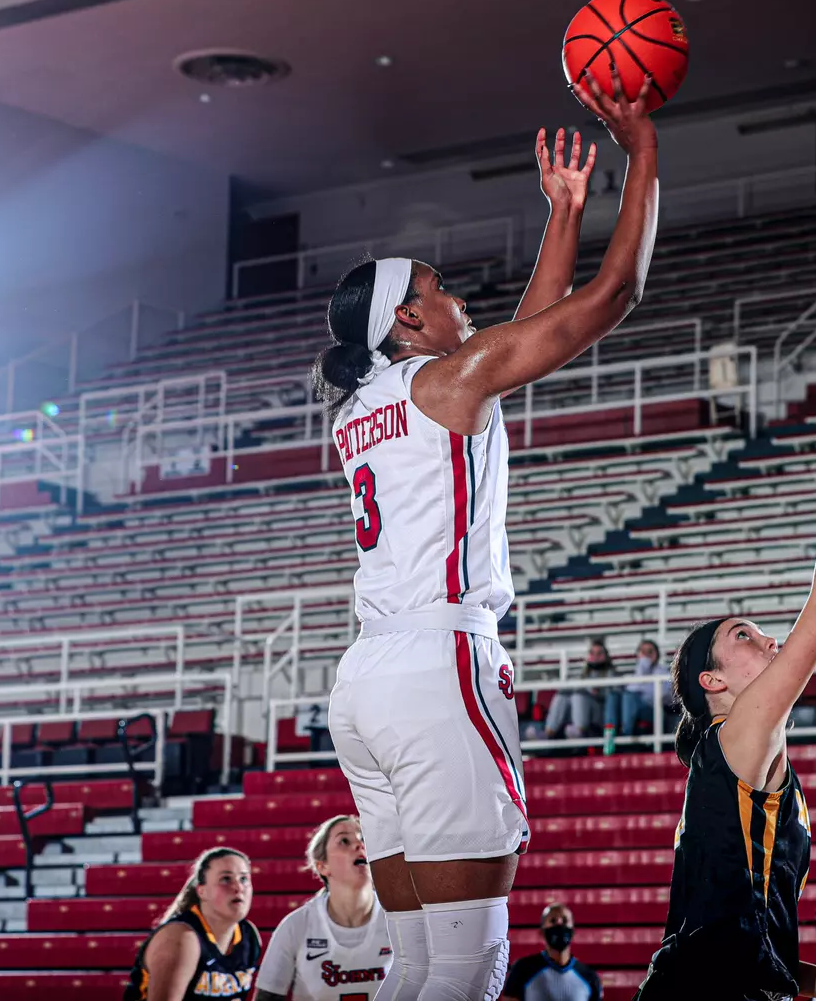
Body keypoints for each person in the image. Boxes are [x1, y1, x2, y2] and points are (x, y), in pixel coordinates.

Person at [317, 65, 660, 1001]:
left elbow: (518, 339)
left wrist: (563, 213)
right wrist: (642, 151)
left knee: (418, 962)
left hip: (367, 681)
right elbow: (612, 296)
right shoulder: (444, 383)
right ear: (407, 317)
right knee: (472, 968)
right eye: (443, 287)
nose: (459, 296)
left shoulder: (365, 404)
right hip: (438, 665)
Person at [635, 361, 816, 1001]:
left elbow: (752, 937)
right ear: (713, 682)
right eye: (743, 635)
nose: (770, 638)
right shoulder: (732, 738)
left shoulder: (768, 772)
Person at [255, 816, 391, 1001]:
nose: (360, 845)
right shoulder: (296, 925)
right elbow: (266, 997)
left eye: (364, 839)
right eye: (344, 840)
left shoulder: (398, 916)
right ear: (322, 866)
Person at [128, 846, 260, 1001]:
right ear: (202, 891)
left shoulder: (249, 935)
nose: (238, 888)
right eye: (225, 879)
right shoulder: (181, 938)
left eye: (244, 879)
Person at [500, 902, 601, 1001]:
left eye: (565, 921)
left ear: (573, 931)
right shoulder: (523, 969)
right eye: (553, 921)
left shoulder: (589, 976)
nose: (559, 924)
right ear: (542, 931)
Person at [535, 638, 613, 740]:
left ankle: (578, 730)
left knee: (579, 695)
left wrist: (594, 691)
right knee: (562, 694)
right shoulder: (583, 673)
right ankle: (549, 731)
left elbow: (611, 697)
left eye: (599, 653)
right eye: (592, 653)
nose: (595, 656)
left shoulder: (610, 673)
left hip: (598, 710)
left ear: (605, 656)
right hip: (579, 708)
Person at [604, 639, 668, 743]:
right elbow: (632, 689)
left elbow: (660, 696)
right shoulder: (638, 671)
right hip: (634, 706)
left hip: (653, 710)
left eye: (650, 651)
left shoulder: (662, 671)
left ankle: (626, 735)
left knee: (629, 697)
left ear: (657, 654)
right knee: (613, 696)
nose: (646, 655)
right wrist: (643, 669)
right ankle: (609, 735)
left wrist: (643, 668)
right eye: (643, 652)